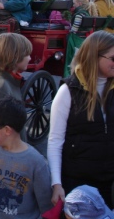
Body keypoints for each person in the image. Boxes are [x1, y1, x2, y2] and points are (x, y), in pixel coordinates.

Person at [48, 30, 114, 209]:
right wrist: (57, 184)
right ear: (95, 56)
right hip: (77, 185)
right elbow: (55, 141)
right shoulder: (67, 91)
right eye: (113, 58)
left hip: (109, 182)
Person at [64, 0, 98, 77]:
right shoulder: (88, 13)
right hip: (84, 39)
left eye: (74, 3)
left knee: (72, 59)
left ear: (79, 3)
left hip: (76, 40)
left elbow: (74, 29)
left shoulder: (79, 14)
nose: (73, 5)